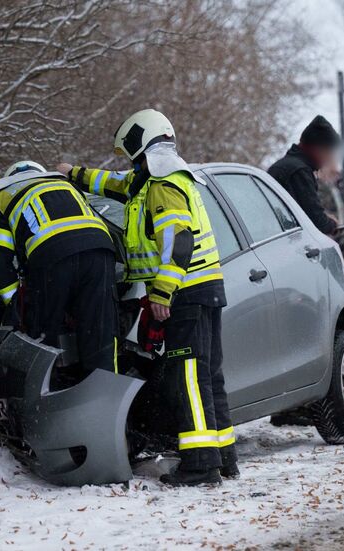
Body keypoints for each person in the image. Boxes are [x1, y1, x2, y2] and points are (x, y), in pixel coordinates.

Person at [58, 109, 237, 486]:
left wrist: (162, 292)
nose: (131, 165)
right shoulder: (156, 180)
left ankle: (201, 466)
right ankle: (223, 457)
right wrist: (73, 173)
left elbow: (179, 242)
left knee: (188, 377)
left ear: (143, 148)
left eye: (133, 157)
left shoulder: (162, 185)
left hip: (185, 291)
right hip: (204, 288)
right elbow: (114, 183)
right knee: (207, 375)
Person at [0, 160, 118, 375]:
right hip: (100, 252)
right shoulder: (66, 186)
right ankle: (103, 393)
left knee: (43, 337)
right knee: (99, 332)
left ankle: (49, 392)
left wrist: (14, 301)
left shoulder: (1, 198)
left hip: (50, 256)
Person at [268, 115, 342, 236]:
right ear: (317, 149)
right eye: (328, 152)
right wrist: (332, 224)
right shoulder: (300, 171)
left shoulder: (288, 166)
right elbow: (316, 220)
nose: (329, 158)